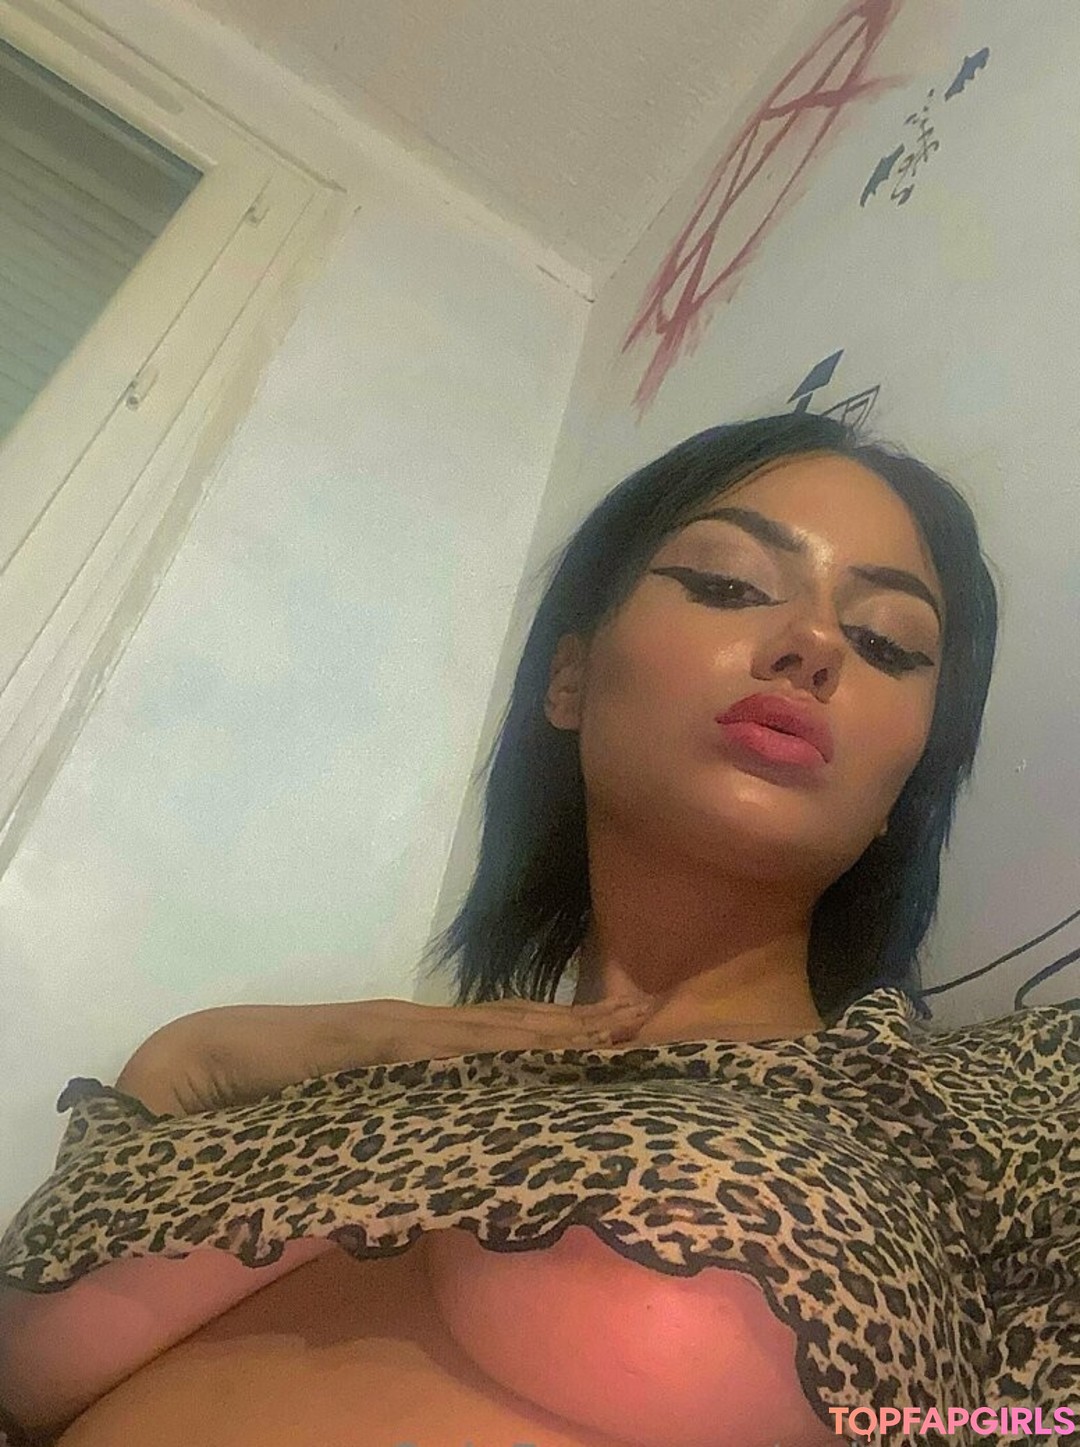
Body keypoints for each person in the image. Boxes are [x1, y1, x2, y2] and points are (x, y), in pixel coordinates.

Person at [0, 414, 1076, 1447]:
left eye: (886, 643)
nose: (811, 646)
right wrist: (195, 1056)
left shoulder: (994, 1112)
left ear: (903, 792)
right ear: (570, 678)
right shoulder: (269, 1081)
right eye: (728, 584)